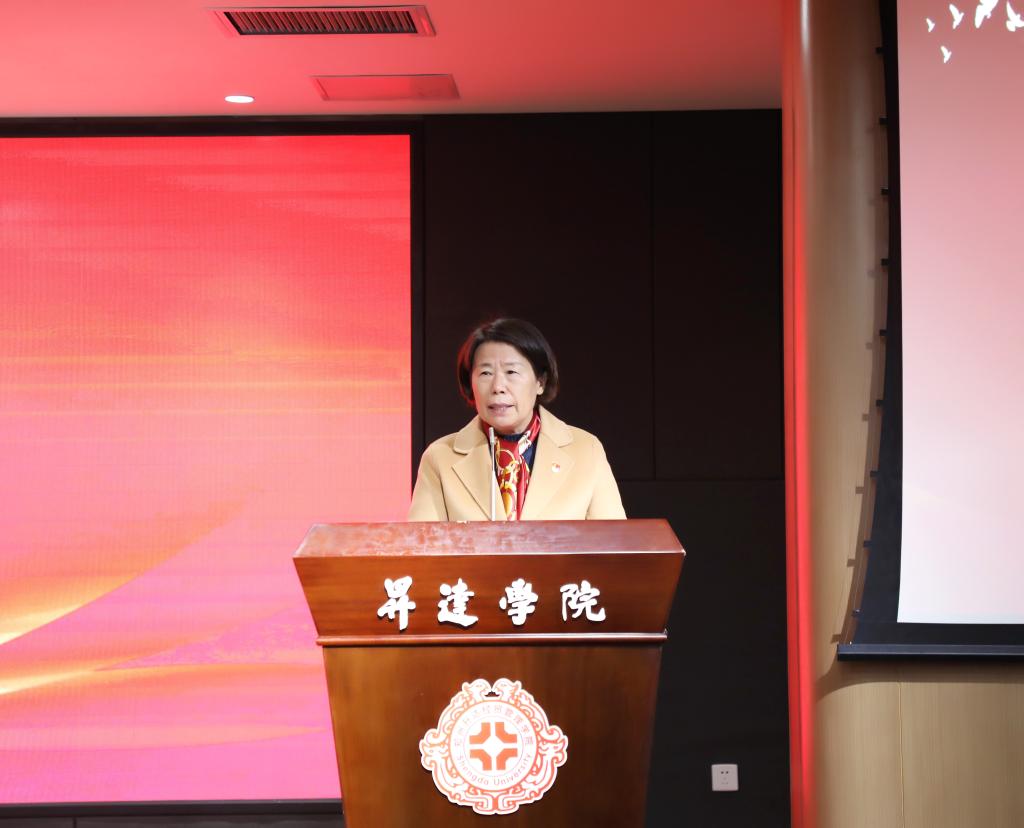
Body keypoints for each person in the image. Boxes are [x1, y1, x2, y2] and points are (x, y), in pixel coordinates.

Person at [408, 318, 626, 521]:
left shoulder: (586, 450)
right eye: (485, 373)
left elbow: (615, 543)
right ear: (470, 383)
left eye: (511, 372)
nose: (498, 387)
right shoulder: (440, 458)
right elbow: (421, 546)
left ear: (540, 382)